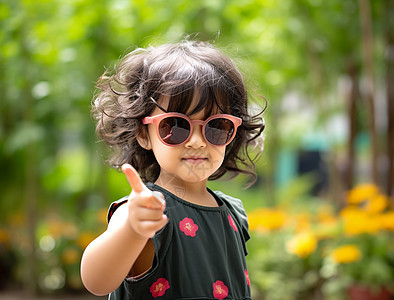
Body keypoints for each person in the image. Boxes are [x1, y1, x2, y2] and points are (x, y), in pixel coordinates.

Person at [80, 39, 265, 299]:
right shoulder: (145, 210)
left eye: (216, 126)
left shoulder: (233, 212)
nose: (198, 141)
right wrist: (132, 230)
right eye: (176, 126)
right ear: (144, 134)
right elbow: (96, 281)